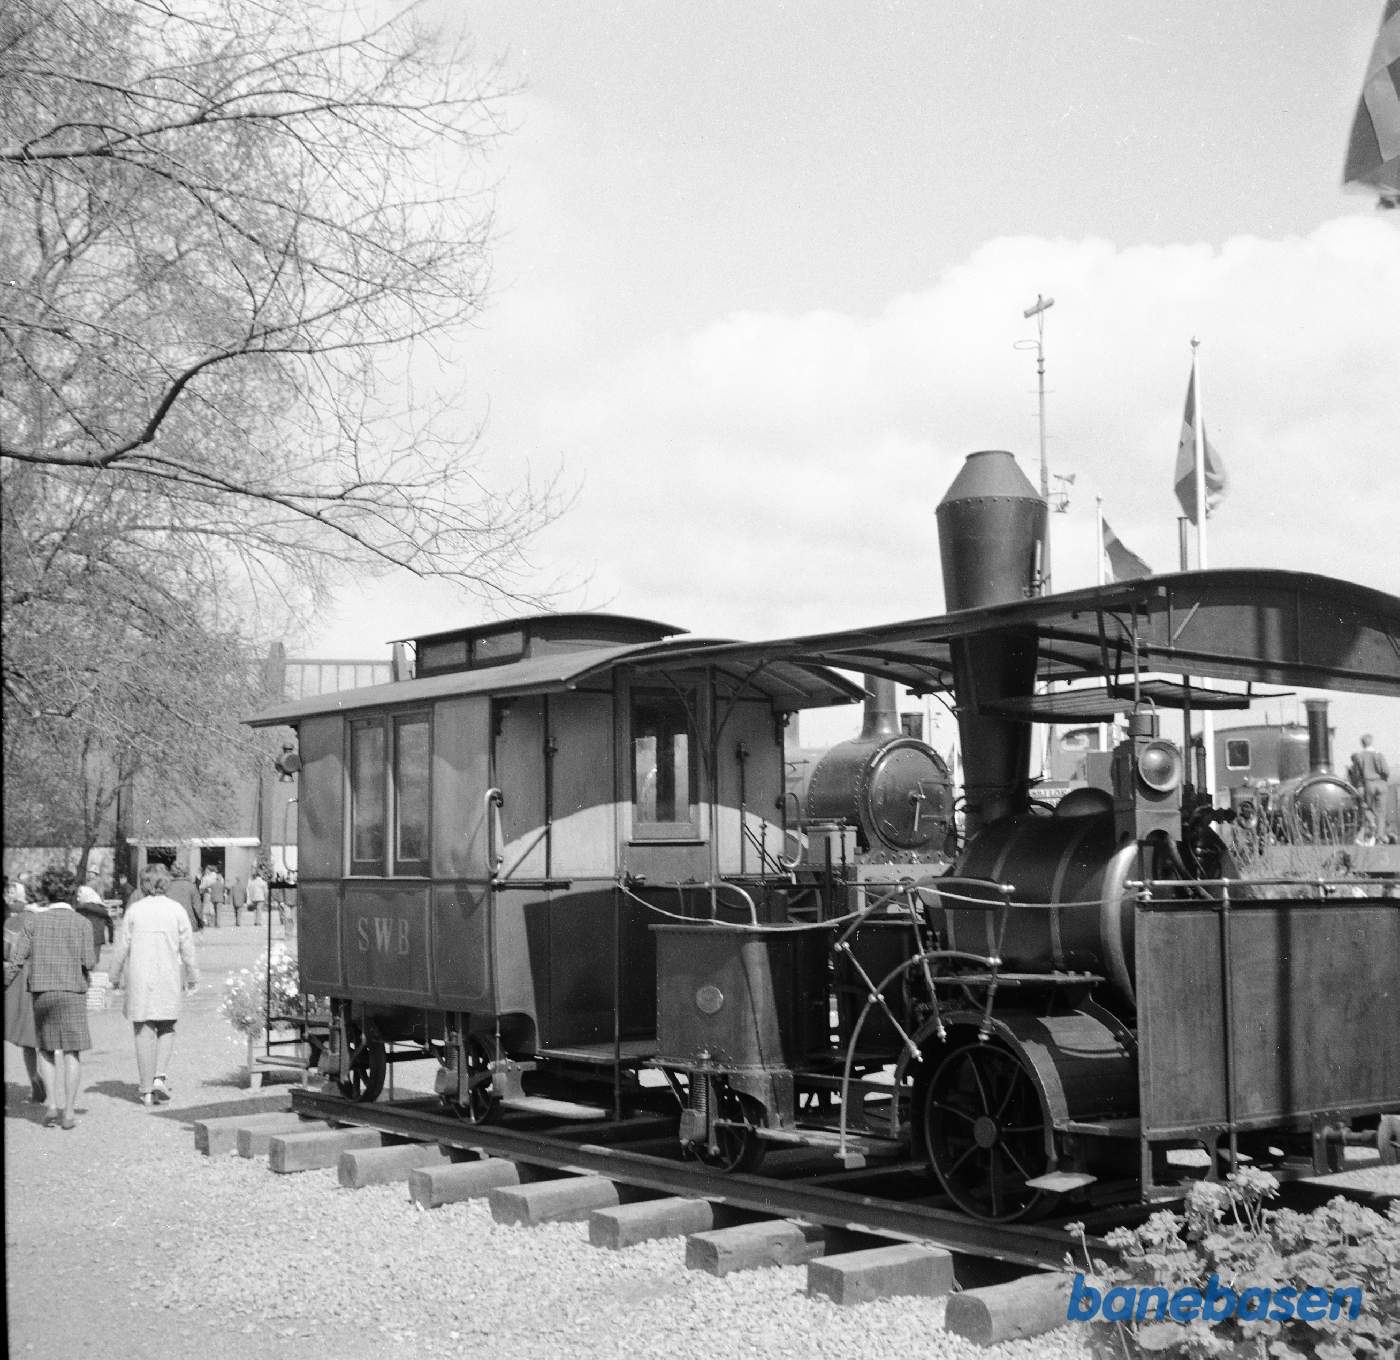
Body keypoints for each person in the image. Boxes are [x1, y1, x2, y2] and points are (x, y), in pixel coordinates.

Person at [9, 864, 98, 1129]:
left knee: (45, 1050)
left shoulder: (34, 921)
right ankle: (68, 1111)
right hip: (71, 991)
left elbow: (16, 958)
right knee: (72, 1052)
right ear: (72, 892)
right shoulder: (82, 923)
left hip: (42, 991)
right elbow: (90, 962)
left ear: (46, 892)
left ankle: (50, 1105)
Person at [109, 863, 198, 1106]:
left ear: (144, 883)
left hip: (140, 976)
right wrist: (192, 974)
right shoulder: (176, 910)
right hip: (168, 974)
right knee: (167, 1025)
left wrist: (114, 974)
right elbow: (187, 948)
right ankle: (159, 1075)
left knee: (144, 1029)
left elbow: (121, 947)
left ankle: (146, 1088)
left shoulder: (134, 911)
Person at [3, 897, 45, 1104]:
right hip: (45, 976)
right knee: (45, 1037)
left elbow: (8, 953)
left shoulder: (12, 922)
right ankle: (48, 1083)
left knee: (27, 1038)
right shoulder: (46, 919)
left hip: (21, 979)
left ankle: (34, 1079)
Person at [1348, 735, 1391, 836]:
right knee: (1381, 812)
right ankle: (1380, 836)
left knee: (1367, 808)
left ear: (1362, 743)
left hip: (1368, 784)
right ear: (1371, 742)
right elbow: (1386, 771)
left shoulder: (1360, 756)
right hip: (1381, 784)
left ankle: (1371, 823)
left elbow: (1356, 776)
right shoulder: (1379, 755)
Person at [164, 862, 202, 933]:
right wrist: (200, 922)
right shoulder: (191, 887)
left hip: (169, 923)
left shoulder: (165, 886)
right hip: (188, 922)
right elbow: (197, 907)